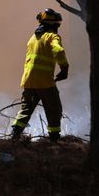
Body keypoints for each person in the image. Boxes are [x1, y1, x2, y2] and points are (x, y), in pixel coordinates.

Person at [10, 8, 69, 142]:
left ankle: (14, 135)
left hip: (29, 81)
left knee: (25, 110)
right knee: (54, 110)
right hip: (45, 83)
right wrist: (64, 68)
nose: (58, 27)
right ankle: (54, 138)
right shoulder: (52, 36)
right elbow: (58, 51)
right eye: (57, 25)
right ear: (52, 25)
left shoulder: (33, 38)